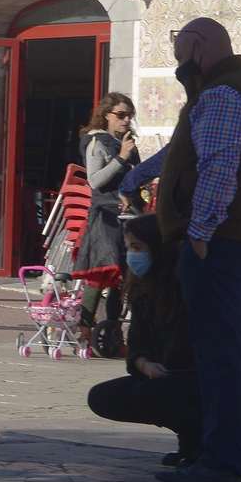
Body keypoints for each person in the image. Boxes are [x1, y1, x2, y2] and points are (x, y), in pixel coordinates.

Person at [154, 18, 241, 482]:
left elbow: (219, 165)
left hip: (221, 245)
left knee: (221, 356)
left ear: (199, 45)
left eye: (179, 52)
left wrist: (199, 232)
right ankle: (240, 458)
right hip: (238, 242)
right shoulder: (230, 90)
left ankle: (223, 460)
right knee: (240, 355)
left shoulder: (223, 93)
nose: (178, 64)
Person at [87, 214, 202, 470]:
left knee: (148, 395)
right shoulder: (142, 289)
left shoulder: (189, 286)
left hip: (195, 376)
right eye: (128, 248)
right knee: (103, 397)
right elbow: (138, 342)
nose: (131, 255)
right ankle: (190, 441)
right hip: (162, 375)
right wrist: (144, 364)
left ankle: (201, 442)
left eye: (137, 248)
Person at [76, 92, 140, 334]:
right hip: (105, 215)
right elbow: (94, 180)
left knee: (123, 277)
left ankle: (112, 333)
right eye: (120, 115)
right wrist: (122, 157)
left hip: (128, 213)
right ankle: (84, 329)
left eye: (129, 116)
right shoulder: (97, 142)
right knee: (103, 271)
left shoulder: (126, 141)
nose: (126, 120)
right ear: (105, 115)